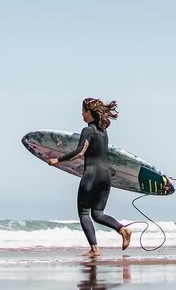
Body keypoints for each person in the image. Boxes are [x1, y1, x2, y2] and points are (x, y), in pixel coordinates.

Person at [48, 97, 132, 257]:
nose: (81, 114)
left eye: (83, 111)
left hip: (91, 175)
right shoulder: (103, 132)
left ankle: (94, 249)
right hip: (105, 176)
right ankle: (122, 229)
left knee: (84, 213)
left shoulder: (88, 131)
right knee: (98, 214)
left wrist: (57, 160)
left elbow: (80, 151)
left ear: (89, 113)